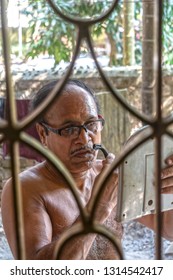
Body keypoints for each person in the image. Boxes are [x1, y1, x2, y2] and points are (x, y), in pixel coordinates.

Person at [1, 79, 173, 260]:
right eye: (69, 129)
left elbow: (167, 229)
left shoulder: (110, 175)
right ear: (43, 134)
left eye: (91, 125)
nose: (84, 140)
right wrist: (99, 208)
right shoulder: (24, 189)